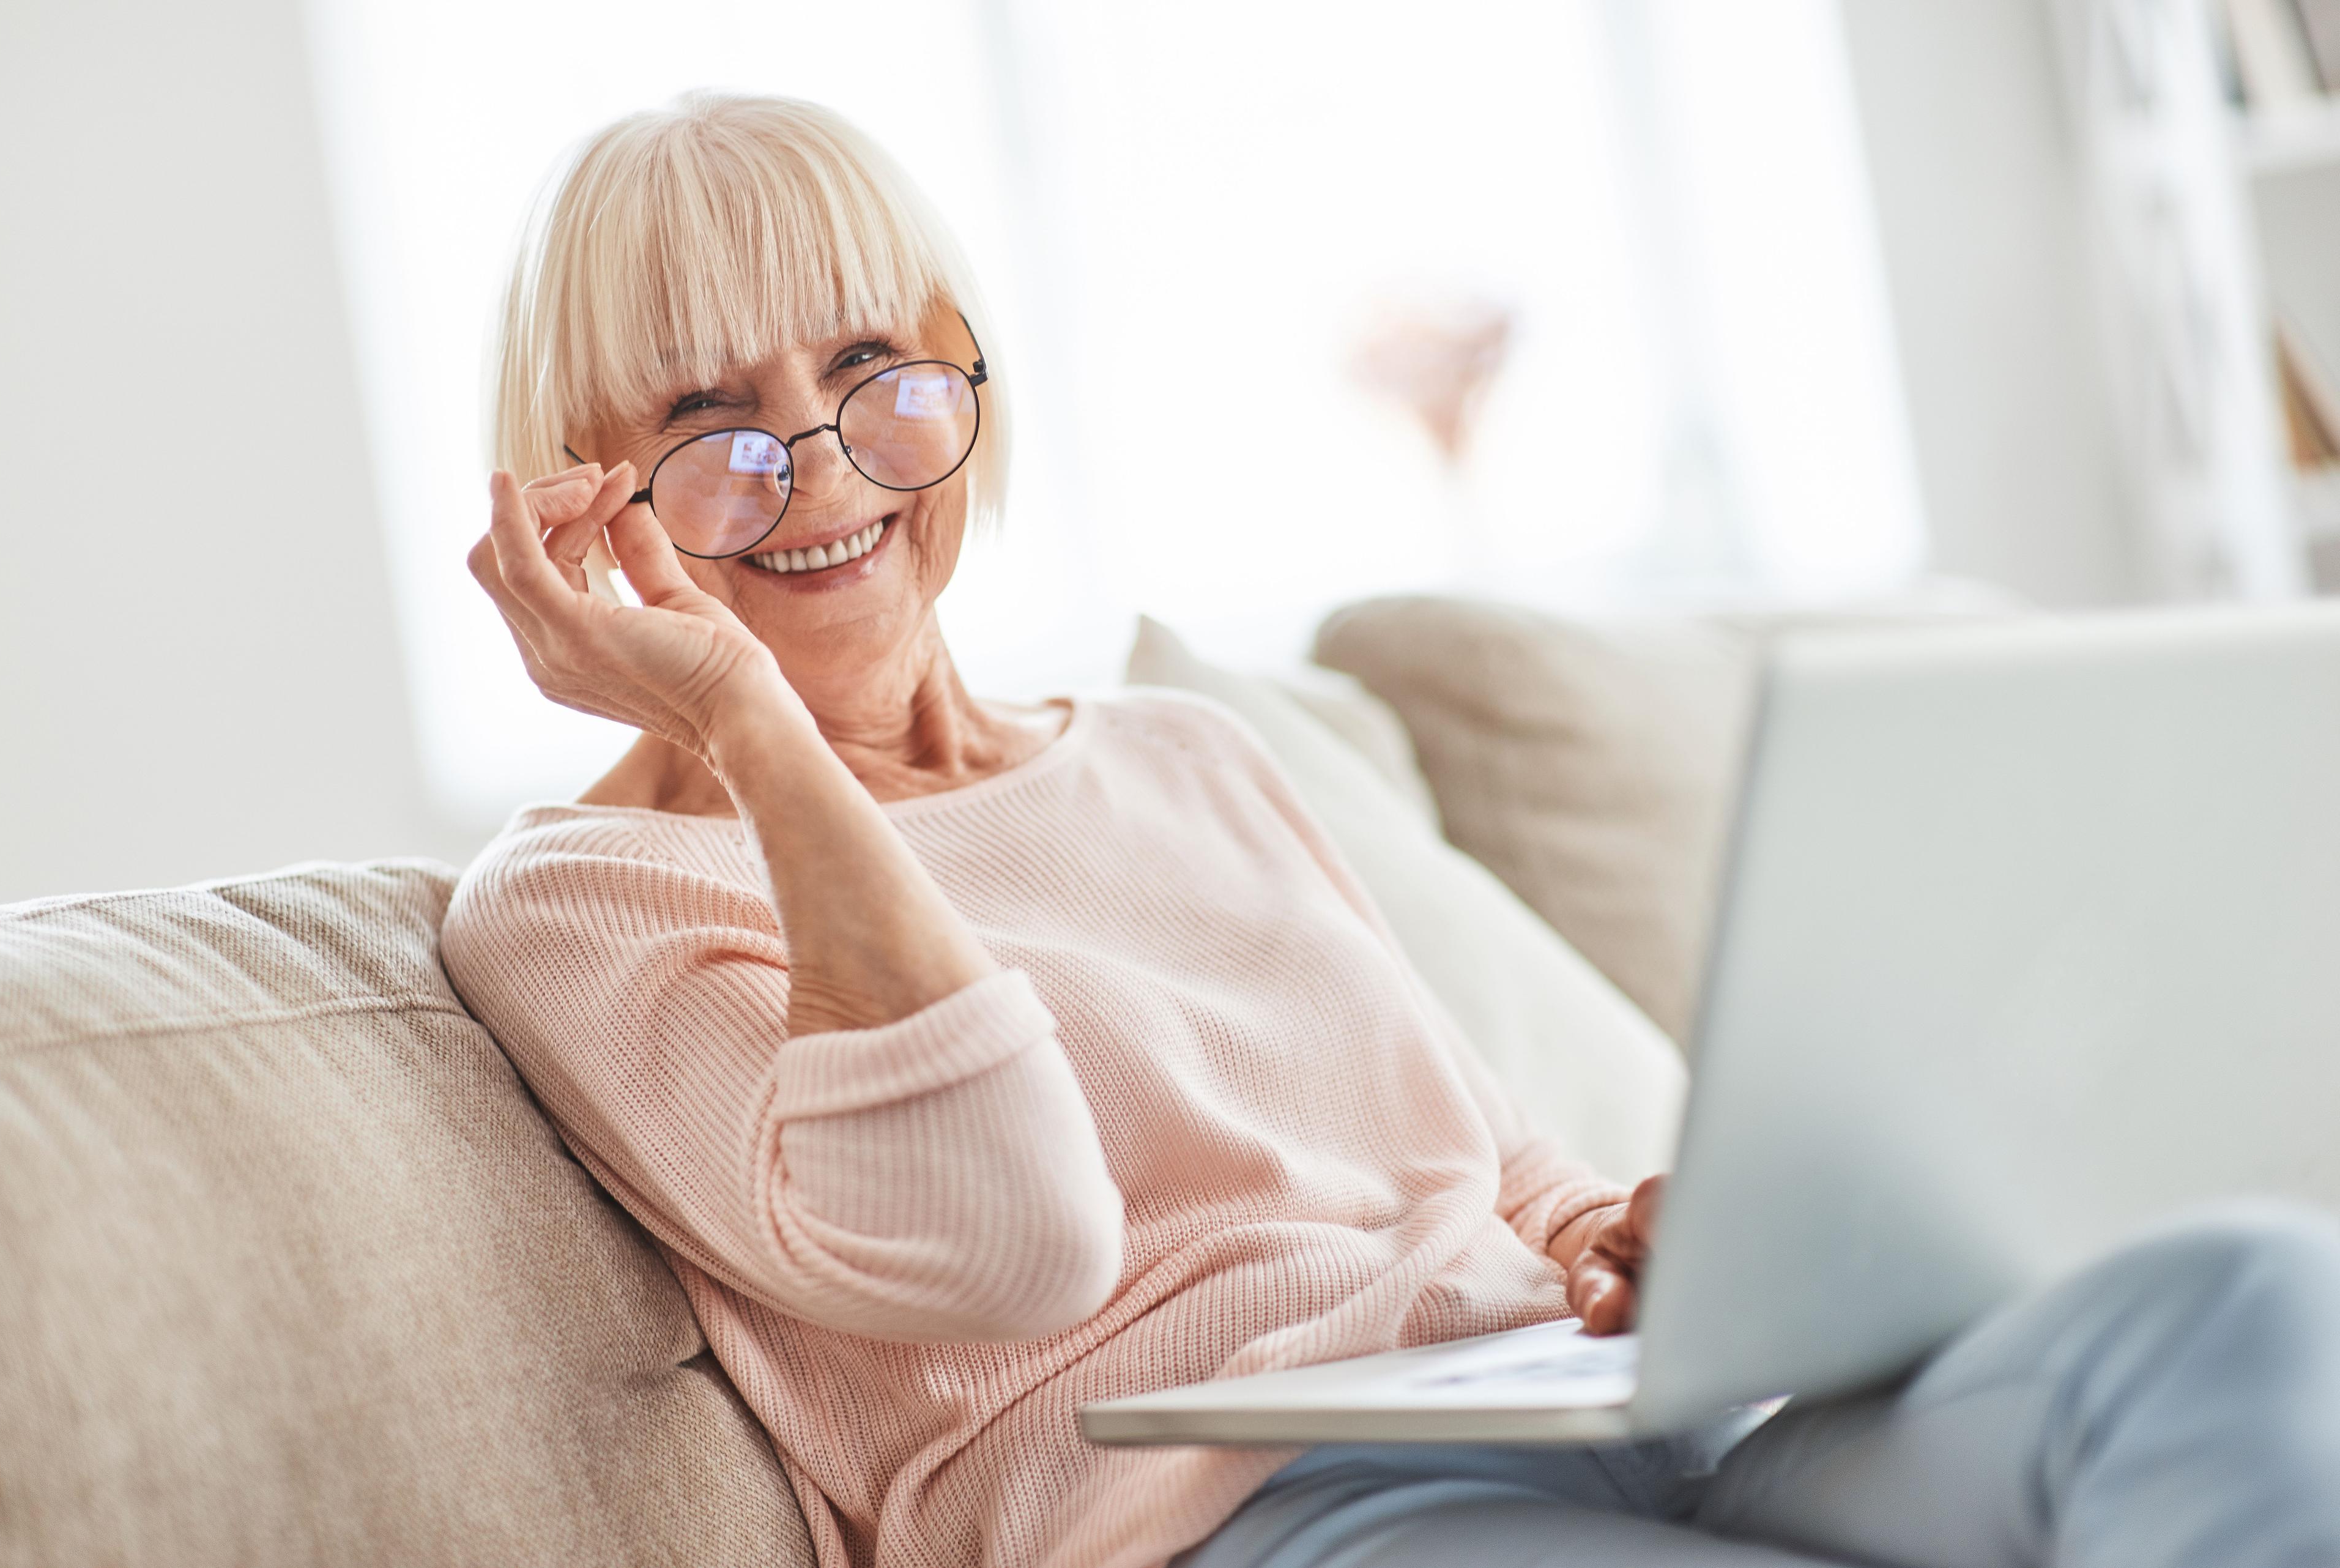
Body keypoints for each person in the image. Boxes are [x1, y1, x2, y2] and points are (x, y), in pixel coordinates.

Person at [440, 93, 2340, 1568]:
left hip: (1591, 1413)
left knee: (2250, 1293)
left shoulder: (1183, 758)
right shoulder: (585, 898)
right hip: (1250, 1520)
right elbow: (1009, 1233)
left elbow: (1500, 1171)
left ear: (959, 373)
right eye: (714, 419)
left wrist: (1622, 1240)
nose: (826, 471)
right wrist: (752, 723)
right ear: (582, 499)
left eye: (872, 373)